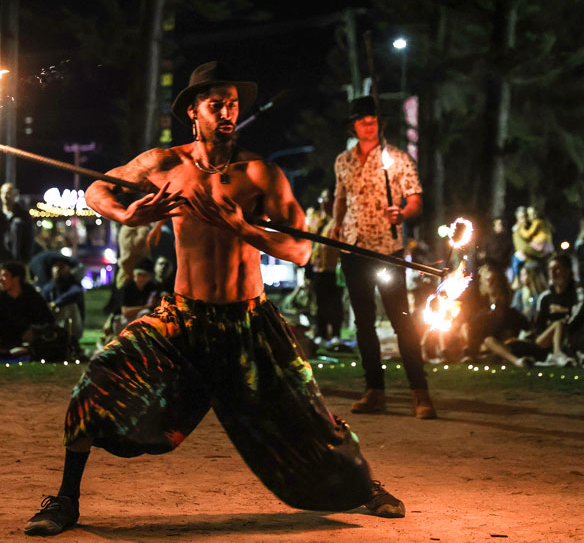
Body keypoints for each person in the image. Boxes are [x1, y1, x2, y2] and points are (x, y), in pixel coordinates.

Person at [24, 61, 404, 537]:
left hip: (250, 321)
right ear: (193, 112)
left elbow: (303, 250)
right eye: (216, 104)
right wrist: (129, 214)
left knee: (310, 414)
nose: (227, 112)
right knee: (97, 383)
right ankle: (65, 501)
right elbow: (99, 188)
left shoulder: (260, 173)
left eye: (233, 104)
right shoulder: (164, 165)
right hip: (183, 320)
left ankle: (363, 487)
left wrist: (243, 228)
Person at [331, 95, 436, 419]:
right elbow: (340, 198)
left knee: (401, 321)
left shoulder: (398, 159)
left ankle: (421, 394)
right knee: (364, 323)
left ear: (381, 123)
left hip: (387, 250)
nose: (368, 124)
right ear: (353, 125)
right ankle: (374, 391)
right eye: (362, 119)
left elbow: (415, 200)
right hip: (353, 248)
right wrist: (336, 226)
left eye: (373, 118)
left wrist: (401, 214)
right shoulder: (343, 161)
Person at [0, 261, 55, 354]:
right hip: (3, 345)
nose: (0, 280)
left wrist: (34, 331)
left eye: (4, 276)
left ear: (16, 279)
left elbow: (48, 322)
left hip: (29, 346)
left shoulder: (32, 298)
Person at [308, 188, 344, 346]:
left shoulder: (337, 220)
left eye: (327, 199)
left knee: (335, 303)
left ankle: (335, 334)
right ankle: (321, 334)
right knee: (320, 304)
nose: (323, 203)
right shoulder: (317, 219)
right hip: (318, 269)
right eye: (321, 199)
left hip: (334, 269)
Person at [0, 183, 34, 265]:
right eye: (2, 193)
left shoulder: (24, 216)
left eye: (8, 193)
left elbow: (29, 239)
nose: (5, 196)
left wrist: (25, 260)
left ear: (15, 194)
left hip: (18, 262)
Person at [41, 256, 85, 341]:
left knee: (70, 305)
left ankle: (57, 332)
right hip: (53, 322)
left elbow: (75, 293)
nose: (58, 269)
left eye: (62, 267)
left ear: (69, 269)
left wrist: (56, 303)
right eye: (56, 266)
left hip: (72, 328)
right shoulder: (48, 288)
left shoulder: (74, 286)